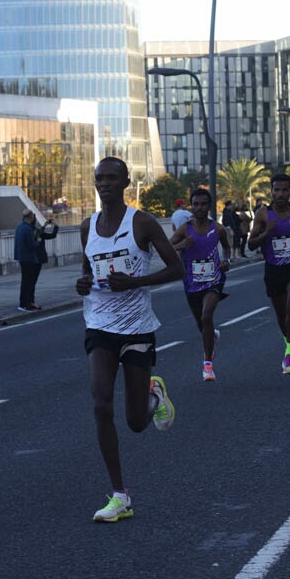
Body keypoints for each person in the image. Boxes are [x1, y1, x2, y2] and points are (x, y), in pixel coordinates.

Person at [75, 157, 184, 522]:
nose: (103, 184)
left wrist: (135, 282)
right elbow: (88, 271)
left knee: (136, 422)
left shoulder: (142, 222)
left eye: (111, 178)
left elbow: (177, 268)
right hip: (100, 325)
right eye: (98, 179)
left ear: (125, 182)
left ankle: (154, 394)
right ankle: (120, 495)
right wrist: (83, 283)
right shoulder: (86, 225)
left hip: (137, 328)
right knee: (100, 404)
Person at [247, 173, 290, 375]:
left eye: (285, 190)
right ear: (272, 191)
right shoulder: (263, 215)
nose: (281, 194)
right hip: (274, 269)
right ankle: (289, 339)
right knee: (281, 314)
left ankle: (289, 353)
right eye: (277, 190)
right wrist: (267, 232)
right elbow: (251, 244)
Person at [169, 188, 230, 381]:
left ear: (209, 206)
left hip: (214, 279)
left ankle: (207, 364)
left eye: (203, 204)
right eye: (196, 204)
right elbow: (168, 247)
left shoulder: (217, 228)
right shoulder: (185, 229)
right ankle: (212, 336)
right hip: (192, 281)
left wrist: (226, 260)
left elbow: (227, 246)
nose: (200, 207)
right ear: (191, 206)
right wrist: (181, 245)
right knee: (201, 324)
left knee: (206, 316)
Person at [14, 209, 44, 312]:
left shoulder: (19, 227)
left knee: (24, 282)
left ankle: (22, 304)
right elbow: (32, 246)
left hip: (21, 257)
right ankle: (27, 304)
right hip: (29, 259)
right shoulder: (28, 229)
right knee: (29, 283)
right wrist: (38, 241)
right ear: (31, 218)